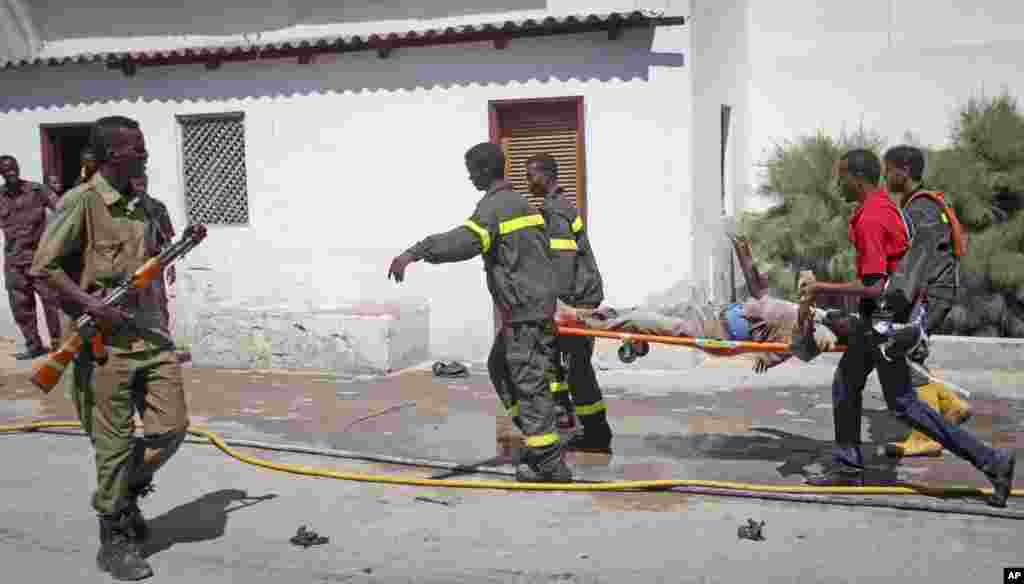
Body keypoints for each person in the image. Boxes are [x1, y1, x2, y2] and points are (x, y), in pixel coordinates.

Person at [800, 148, 1014, 508]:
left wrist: (821, 288)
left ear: (857, 178)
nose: (838, 183)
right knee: (851, 384)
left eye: (842, 176)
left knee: (899, 402)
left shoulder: (870, 218)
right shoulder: (885, 205)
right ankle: (848, 466)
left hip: (883, 321)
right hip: (890, 318)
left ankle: (992, 461)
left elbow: (875, 286)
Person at [30, 116, 192, 579]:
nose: (144, 153)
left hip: (150, 336)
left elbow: (158, 268)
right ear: (111, 154)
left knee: (172, 428)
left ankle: (123, 490)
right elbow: (45, 268)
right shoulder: (80, 202)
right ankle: (115, 537)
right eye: (136, 147)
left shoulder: (148, 207)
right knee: (113, 443)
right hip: (101, 343)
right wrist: (90, 306)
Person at [388, 142, 571, 483]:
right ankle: (536, 436)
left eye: (471, 170)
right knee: (499, 366)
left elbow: (463, 242)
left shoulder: (495, 208)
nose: (469, 176)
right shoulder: (520, 204)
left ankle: (549, 463)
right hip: (532, 308)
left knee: (529, 384)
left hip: (525, 313)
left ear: (485, 171)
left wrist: (413, 254)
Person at [555, 234, 841, 370]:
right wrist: (744, 254)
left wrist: (807, 303)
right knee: (647, 312)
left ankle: (578, 319)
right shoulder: (812, 313)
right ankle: (627, 335)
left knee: (646, 319)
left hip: (716, 336)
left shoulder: (817, 333)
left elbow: (803, 345)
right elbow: (759, 292)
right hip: (715, 314)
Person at [880, 145, 971, 457]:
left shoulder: (919, 210)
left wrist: (894, 301)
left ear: (903, 171)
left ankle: (925, 437)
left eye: (888, 169)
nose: (885, 175)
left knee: (906, 357)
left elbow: (915, 263)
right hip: (938, 292)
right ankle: (950, 405)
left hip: (929, 295)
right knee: (912, 353)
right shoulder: (927, 204)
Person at [526, 152, 613, 453]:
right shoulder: (558, 207)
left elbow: (563, 265)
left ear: (546, 175)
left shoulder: (556, 212)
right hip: (577, 297)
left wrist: (559, 306)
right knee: (556, 361)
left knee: (577, 367)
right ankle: (568, 416)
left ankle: (597, 433)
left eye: (531, 174)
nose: (528, 181)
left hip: (576, 300)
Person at [0, 154, 64, 359]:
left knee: (52, 301)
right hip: (14, 261)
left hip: (40, 258)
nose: (11, 172)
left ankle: (59, 344)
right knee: (21, 306)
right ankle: (33, 345)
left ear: (18, 168)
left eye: (13, 167)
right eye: (6, 169)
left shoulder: (37, 190)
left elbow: (63, 210)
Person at [128, 175, 176, 333]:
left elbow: (167, 238)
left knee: (159, 302)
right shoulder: (123, 210)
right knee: (131, 306)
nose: (140, 187)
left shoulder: (157, 207)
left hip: (152, 263)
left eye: (143, 184)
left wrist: (171, 264)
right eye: (137, 184)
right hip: (128, 265)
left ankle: (164, 339)